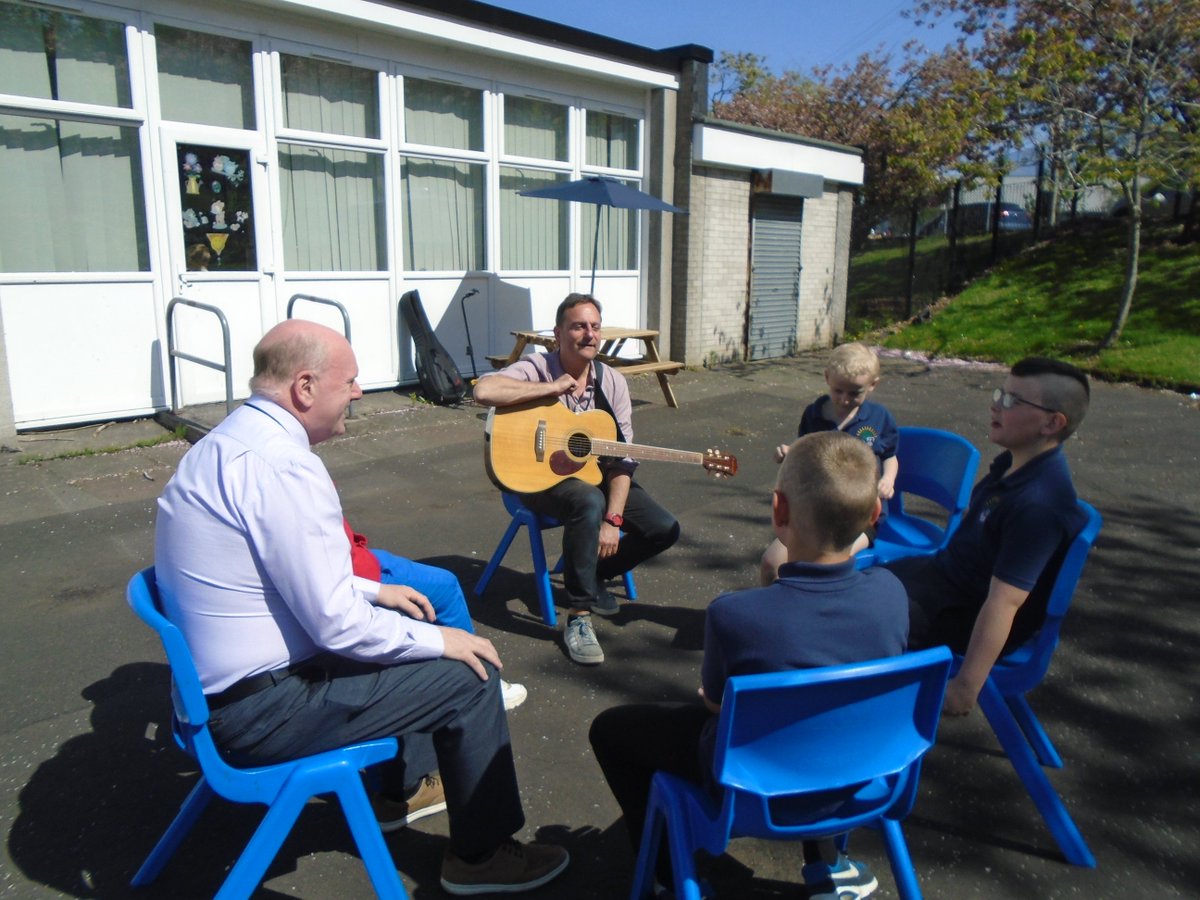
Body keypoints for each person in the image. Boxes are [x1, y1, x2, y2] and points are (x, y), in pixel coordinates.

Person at [154, 319, 567, 895]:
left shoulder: (225, 444)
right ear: (304, 387)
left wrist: (375, 592)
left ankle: (400, 792)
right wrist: (446, 640)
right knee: (470, 675)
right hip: (258, 715)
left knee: (403, 626)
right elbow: (337, 626)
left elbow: (282, 574)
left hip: (215, 701)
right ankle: (481, 858)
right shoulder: (283, 465)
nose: (359, 391)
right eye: (348, 381)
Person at [589, 432, 908, 900]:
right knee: (818, 708)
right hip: (858, 776)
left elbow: (715, 705)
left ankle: (667, 876)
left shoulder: (737, 614)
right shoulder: (892, 594)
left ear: (779, 511)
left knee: (611, 731)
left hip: (753, 789)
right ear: (874, 513)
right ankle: (828, 864)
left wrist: (716, 702)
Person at [472, 293, 680, 666]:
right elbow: (483, 390)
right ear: (558, 334)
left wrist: (613, 520)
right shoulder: (538, 366)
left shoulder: (612, 382)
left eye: (595, 327)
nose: (589, 334)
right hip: (534, 478)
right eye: (578, 326)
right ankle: (579, 616)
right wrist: (550, 388)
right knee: (588, 501)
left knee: (663, 528)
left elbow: (622, 458)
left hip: (592, 474)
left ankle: (591, 572)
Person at [884, 356, 1090, 717]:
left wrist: (965, 687)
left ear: (1052, 423)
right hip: (940, 581)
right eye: (999, 394)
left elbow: (1003, 603)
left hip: (960, 613)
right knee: (840, 590)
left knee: (850, 623)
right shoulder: (1011, 466)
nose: (996, 405)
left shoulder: (1039, 505)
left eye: (1012, 400)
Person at [344, 519, 528, 712]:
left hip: (355, 555)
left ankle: (470, 670)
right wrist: (375, 590)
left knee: (404, 568)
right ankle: (481, 683)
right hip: (356, 571)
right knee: (445, 586)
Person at [760, 342, 898, 585]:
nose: (844, 400)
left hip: (859, 516)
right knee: (772, 562)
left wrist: (888, 479)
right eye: (838, 391)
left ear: (872, 385)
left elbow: (890, 455)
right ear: (827, 379)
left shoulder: (879, 418)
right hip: (816, 509)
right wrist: (790, 453)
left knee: (821, 562)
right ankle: (775, 605)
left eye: (854, 393)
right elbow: (807, 454)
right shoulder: (814, 414)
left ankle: (819, 605)